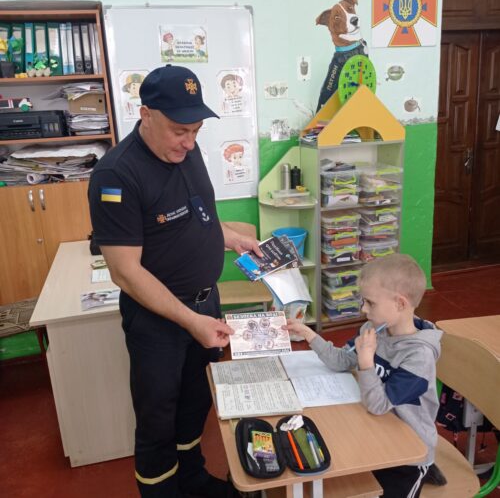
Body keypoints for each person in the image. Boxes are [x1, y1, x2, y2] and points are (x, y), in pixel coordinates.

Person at [88, 64, 262, 498]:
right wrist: (190, 320)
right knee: (158, 420)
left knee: (195, 403)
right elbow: (125, 271)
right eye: (180, 131)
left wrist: (233, 238)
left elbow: (200, 217)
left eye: (196, 131)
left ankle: (193, 481)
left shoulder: (186, 151)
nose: (189, 141)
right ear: (146, 114)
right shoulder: (116, 175)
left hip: (205, 306)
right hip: (159, 322)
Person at [285, 254, 442, 498]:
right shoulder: (374, 329)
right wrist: (309, 334)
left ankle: (427, 470)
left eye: (370, 303)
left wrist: (367, 363)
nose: (363, 309)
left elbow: (378, 404)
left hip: (409, 454)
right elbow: (341, 360)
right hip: (376, 432)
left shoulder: (419, 356)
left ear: (400, 304)